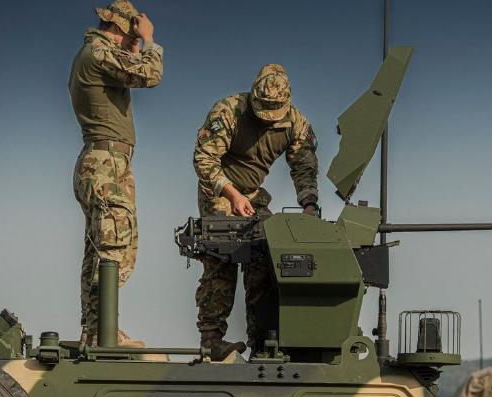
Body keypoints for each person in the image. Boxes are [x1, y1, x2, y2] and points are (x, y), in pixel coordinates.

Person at [193, 64, 319, 360]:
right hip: (221, 189)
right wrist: (232, 195)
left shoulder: (295, 123)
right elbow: (204, 159)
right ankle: (212, 340)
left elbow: (304, 166)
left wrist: (309, 205)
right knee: (222, 251)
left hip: (254, 195)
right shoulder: (228, 111)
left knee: (265, 256)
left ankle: (262, 344)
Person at [69, 0, 163, 345]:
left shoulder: (101, 54)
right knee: (111, 243)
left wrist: (133, 47)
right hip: (104, 162)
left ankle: (97, 329)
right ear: (124, 28)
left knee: (106, 245)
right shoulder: (97, 53)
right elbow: (149, 75)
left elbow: (132, 69)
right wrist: (150, 41)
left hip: (111, 162)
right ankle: (101, 332)